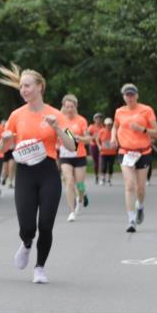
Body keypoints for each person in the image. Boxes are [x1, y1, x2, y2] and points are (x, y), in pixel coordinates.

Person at [0, 64, 76, 284]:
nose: (23, 90)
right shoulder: (16, 115)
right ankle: (26, 243)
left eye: (28, 85)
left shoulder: (56, 114)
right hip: (24, 173)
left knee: (46, 225)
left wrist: (57, 128)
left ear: (40, 87)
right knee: (28, 226)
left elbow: (73, 145)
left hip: (48, 172)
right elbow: (2, 148)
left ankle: (40, 268)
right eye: (21, 86)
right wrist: (4, 140)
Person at [111, 83, 157, 233]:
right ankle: (131, 219)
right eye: (127, 95)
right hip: (125, 152)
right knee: (129, 185)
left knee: (140, 188)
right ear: (123, 97)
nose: (129, 97)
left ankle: (140, 206)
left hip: (143, 152)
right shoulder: (119, 111)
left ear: (137, 96)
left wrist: (142, 129)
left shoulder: (146, 110)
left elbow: (156, 132)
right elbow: (115, 126)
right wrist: (113, 138)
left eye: (132, 94)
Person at [58, 94, 91, 223]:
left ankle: (81, 197)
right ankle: (72, 211)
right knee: (69, 181)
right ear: (64, 107)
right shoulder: (60, 120)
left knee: (80, 184)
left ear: (75, 107)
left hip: (79, 155)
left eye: (72, 106)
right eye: (67, 107)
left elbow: (88, 139)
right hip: (65, 155)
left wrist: (79, 138)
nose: (69, 109)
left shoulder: (81, 120)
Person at [98, 118, 118, 185]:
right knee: (103, 166)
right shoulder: (102, 131)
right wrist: (99, 146)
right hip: (103, 152)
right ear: (105, 124)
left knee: (110, 166)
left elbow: (118, 139)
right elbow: (97, 139)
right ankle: (103, 178)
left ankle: (109, 179)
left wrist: (117, 144)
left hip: (112, 152)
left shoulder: (114, 131)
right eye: (107, 124)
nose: (108, 126)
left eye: (110, 124)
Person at [89, 113, 104, 184]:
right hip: (93, 145)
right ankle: (96, 176)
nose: (98, 120)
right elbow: (87, 136)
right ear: (94, 119)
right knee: (95, 163)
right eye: (96, 118)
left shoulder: (103, 127)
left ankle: (101, 177)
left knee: (101, 161)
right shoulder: (91, 127)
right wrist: (93, 137)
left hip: (101, 146)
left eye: (99, 118)